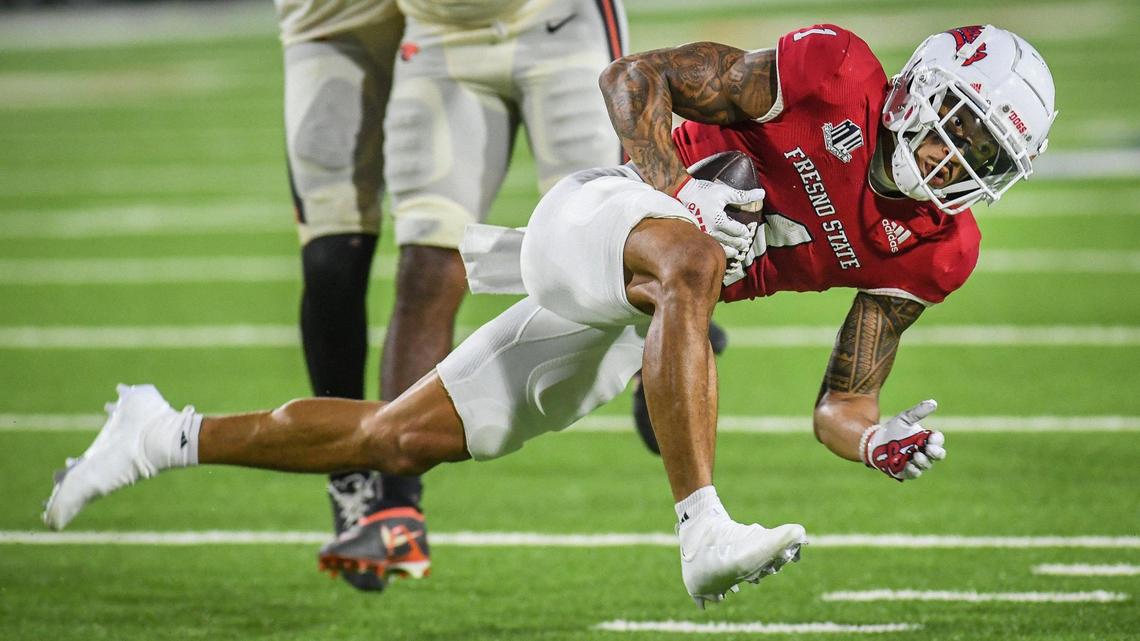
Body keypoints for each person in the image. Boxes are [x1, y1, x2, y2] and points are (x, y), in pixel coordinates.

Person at [43, 23, 1056, 607]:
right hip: (606, 218)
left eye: (987, 156)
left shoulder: (940, 248)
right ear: (927, 85)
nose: (956, 159)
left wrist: (875, 437)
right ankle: (702, 526)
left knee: (396, 433)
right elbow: (636, 73)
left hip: (629, 320)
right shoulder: (832, 72)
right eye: (961, 124)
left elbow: (842, 400)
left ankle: (160, 432)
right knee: (696, 254)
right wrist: (666, 189)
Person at [282, 0, 630, 590]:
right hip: (431, 31)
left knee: (615, 239)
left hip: (553, 18)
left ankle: (673, 387)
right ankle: (390, 505)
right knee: (417, 264)